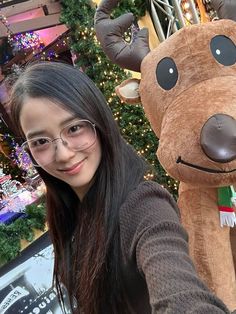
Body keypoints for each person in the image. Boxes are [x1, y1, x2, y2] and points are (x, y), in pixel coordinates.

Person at [8, 61, 232, 314]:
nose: (63, 153)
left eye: (74, 128)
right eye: (40, 141)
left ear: (99, 121)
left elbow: (180, 295)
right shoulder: (70, 208)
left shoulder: (144, 204)